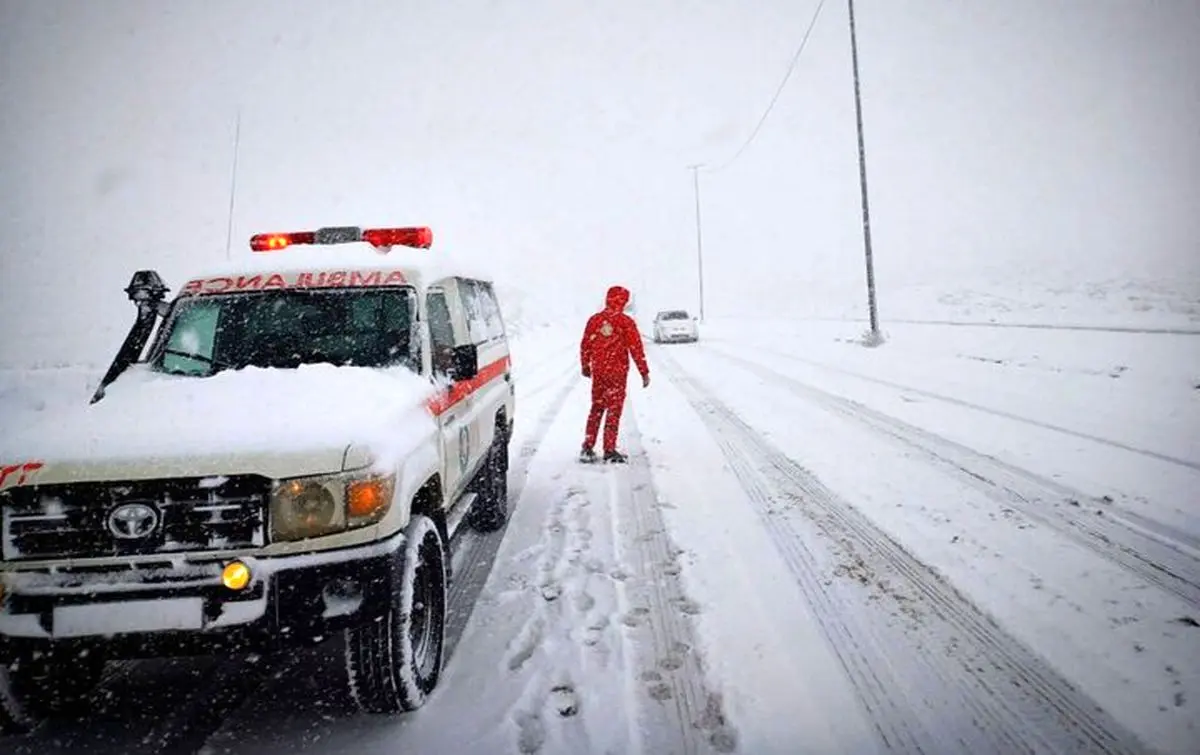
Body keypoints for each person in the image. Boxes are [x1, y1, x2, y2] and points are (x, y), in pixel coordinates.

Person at [579, 285, 650, 463]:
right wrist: (644, 372)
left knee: (596, 408)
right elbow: (636, 348)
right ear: (623, 301)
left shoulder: (594, 320)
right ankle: (609, 449)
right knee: (614, 410)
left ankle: (587, 447)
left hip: (599, 371)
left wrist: (586, 366)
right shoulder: (625, 322)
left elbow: (585, 345)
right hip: (617, 372)